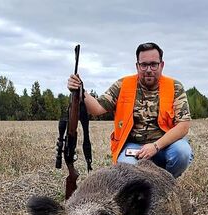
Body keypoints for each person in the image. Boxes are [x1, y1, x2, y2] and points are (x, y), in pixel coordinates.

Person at [67, 42, 193, 178]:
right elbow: (97, 108)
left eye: (153, 64)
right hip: (133, 147)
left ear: (161, 65)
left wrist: (155, 146)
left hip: (164, 145)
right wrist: (80, 91)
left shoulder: (175, 87)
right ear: (137, 66)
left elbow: (183, 126)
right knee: (127, 174)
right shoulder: (123, 85)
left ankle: (167, 182)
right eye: (144, 65)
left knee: (182, 152)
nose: (149, 69)